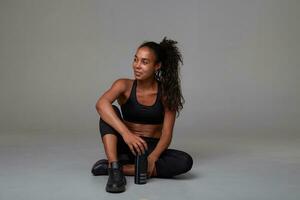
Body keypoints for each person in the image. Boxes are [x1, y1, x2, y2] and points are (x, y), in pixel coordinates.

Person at [91, 37, 193, 193]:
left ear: (157, 66)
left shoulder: (167, 93)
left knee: (185, 161)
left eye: (144, 62)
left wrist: (152, 159)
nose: (137, 66)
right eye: (135, 60)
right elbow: (101, 104)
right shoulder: (123, 85)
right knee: (109, 111)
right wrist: (127, 135)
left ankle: (115, 168)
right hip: (124, 144)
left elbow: (166, 134)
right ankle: (115, 167)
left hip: (149, 150)